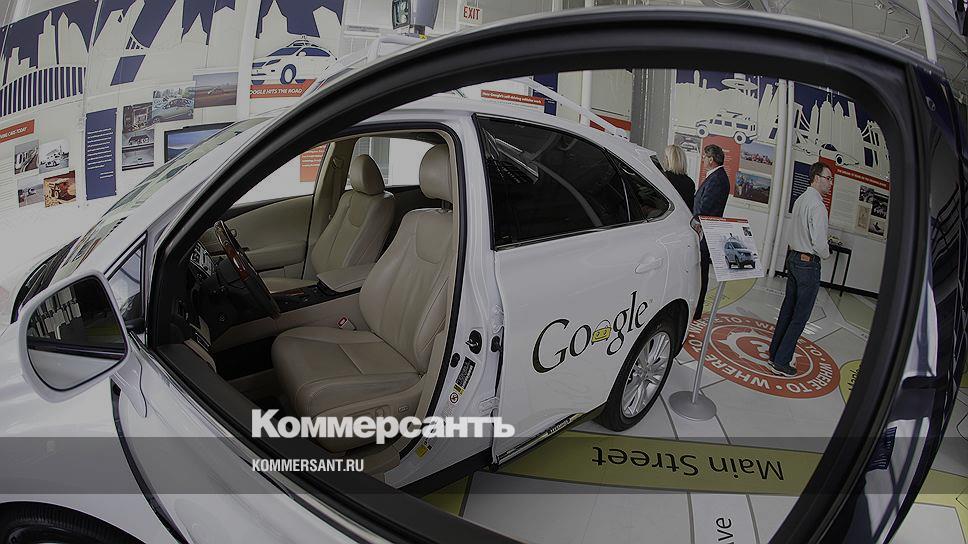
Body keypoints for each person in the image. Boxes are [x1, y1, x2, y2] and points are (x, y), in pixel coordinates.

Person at [767, 161, 833, 377]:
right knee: (800, 316)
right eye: (828, 178)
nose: (830, 183)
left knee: (788, 310)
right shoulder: (818, 206)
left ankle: (774, 353)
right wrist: (826, 254)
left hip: (794, 259)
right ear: (816, 178)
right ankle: (782, 361)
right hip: (808, 265)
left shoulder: (801, 200)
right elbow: (820, 243)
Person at [692, 144, 730, 320]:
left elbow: (705, 208)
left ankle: (696, 310)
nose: (703, 160)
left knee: (701, 274)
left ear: (711, 159)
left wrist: (694, 221)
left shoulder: (717, 179)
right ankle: (695, 308)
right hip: (705, 231)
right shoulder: (717, 176)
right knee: (700, 273)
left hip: (705, 232)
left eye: (705, 157)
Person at [662, 144, 695, 210]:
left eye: (665, 157)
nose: (663, 160)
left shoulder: (663, 177)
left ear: (668, 160)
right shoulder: (690, 182)